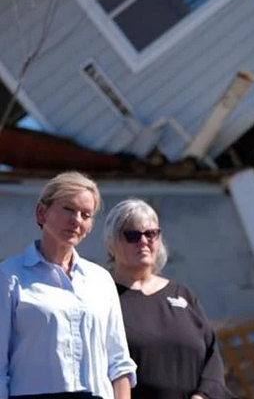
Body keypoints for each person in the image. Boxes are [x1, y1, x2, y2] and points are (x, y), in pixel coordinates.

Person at [0, 171, 136, 399]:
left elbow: (119, 362)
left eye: (86, 214)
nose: (77, 220)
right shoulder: (9, 277)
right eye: (69, 209)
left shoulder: (101, 280)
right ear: (41, 212)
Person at [103, 198, 234, 399]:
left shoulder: (183, 294)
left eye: (151, 234)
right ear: (111, 244)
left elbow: (212, 357)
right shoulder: (102, 296)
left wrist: (203, 396)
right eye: (132, 235)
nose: (144, 241)